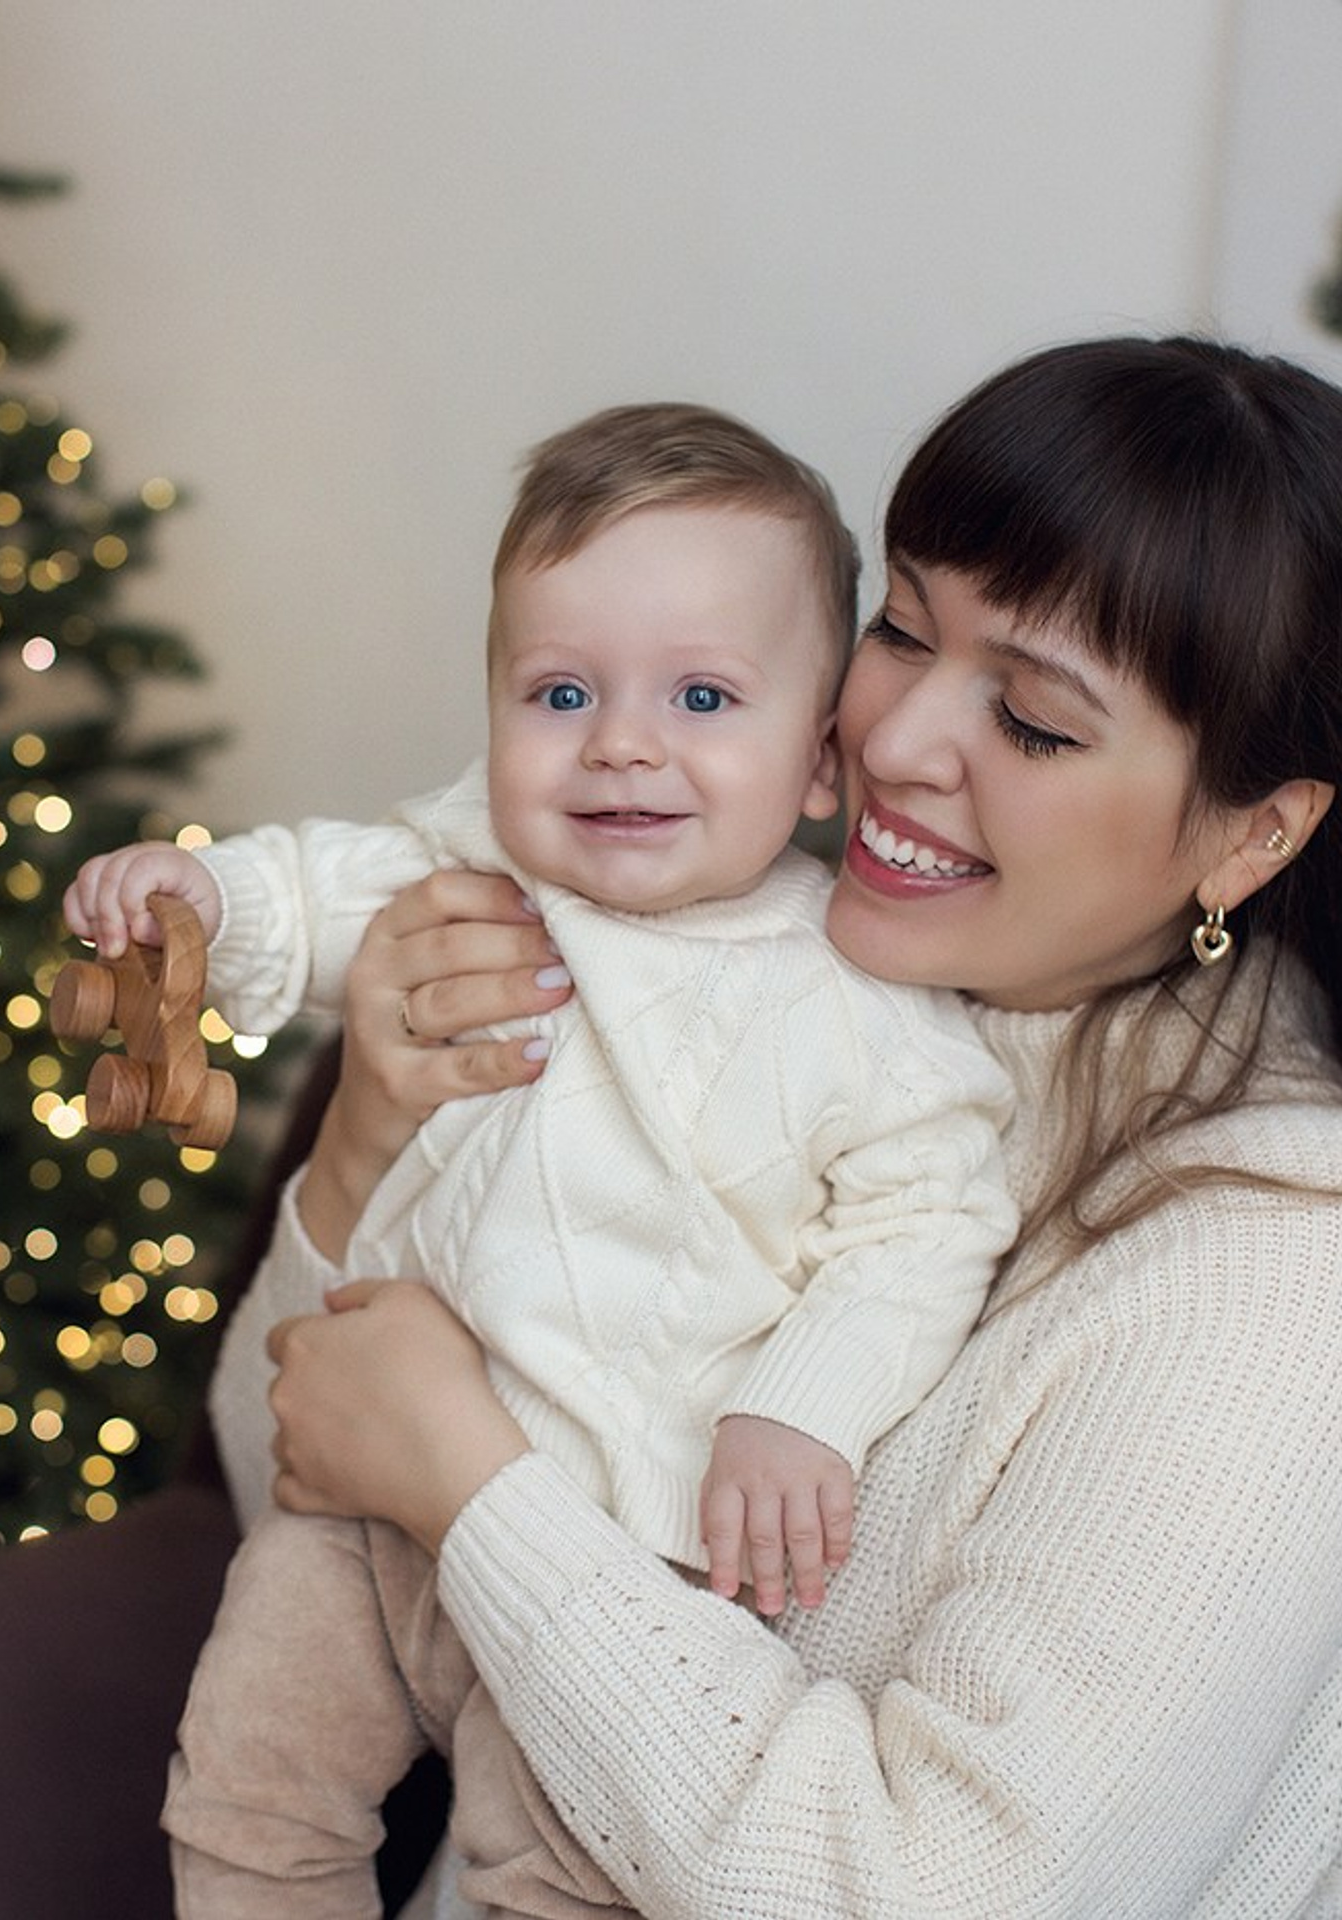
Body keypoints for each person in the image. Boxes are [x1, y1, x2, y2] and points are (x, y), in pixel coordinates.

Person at [228, 335, 1342, 1916]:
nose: (891, 742)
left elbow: (938, 1897)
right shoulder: (688, 943)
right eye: (901, 628)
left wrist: (478, 1492)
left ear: (1255, 832)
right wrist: (362, 1147)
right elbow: (284, 1484)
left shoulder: (1270, 1290)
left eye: (1029, 719)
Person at [65, 404, 1017, 1911]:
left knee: (554, 1875)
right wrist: (199, 899)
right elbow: (317, 892)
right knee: (248, 1786)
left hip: (611, 1558)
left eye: (704, 696)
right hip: (358, 1518)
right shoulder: (477, 876)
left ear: (823, 765)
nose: (623, 743)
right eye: (560, 691)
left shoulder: (859, 1010)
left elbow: (927, 1224)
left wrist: (800, 1411)